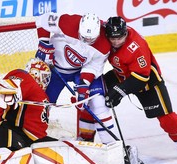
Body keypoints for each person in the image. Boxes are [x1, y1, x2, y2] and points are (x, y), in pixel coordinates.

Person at [103, 16, 177, 159]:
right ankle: (85, 138)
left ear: (125, 33)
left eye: (119, 38)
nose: (115, 42)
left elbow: (141, 77)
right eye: (112, 38)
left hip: (147, 83)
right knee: (94, 93)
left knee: (167, 118)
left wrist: (119, 92)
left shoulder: (136, 46)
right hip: (120, 75)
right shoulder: (106, 33)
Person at [34, 12, 116, 144]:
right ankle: (34, 138)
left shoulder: (104, 45)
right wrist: (43, 43)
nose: (86, 41)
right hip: (54, 69)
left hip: (80, 71)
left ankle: (110, 145)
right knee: (41, 104)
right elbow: (42, 19)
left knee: (97, 103)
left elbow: (93, 66)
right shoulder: (67, 22)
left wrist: (84, 83)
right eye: (83, 37)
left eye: (90, 39)